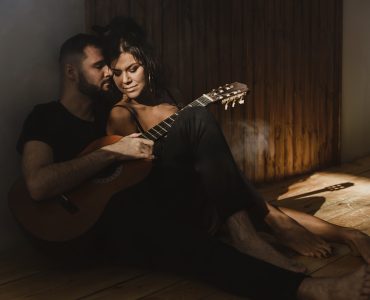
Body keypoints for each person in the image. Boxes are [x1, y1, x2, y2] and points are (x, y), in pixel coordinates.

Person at [100, 16, 370, 300]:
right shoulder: (120, 114)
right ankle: (252, 234)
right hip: (168, 207)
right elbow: (135, 177)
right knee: (215, 149)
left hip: (200, 191)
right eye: (117, 73)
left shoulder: (170, 96)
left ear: (148, 63)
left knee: (237, 192)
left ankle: (350, 235)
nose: (126, 80)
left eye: (132, 69)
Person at [16, 33, 155, 259]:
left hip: (117, 224)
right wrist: (112, 152)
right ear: (71, 72)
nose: (110, 72)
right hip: (64, 232)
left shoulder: (108, 115)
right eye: (99, 66)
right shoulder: (45, 116)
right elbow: (38, 185)